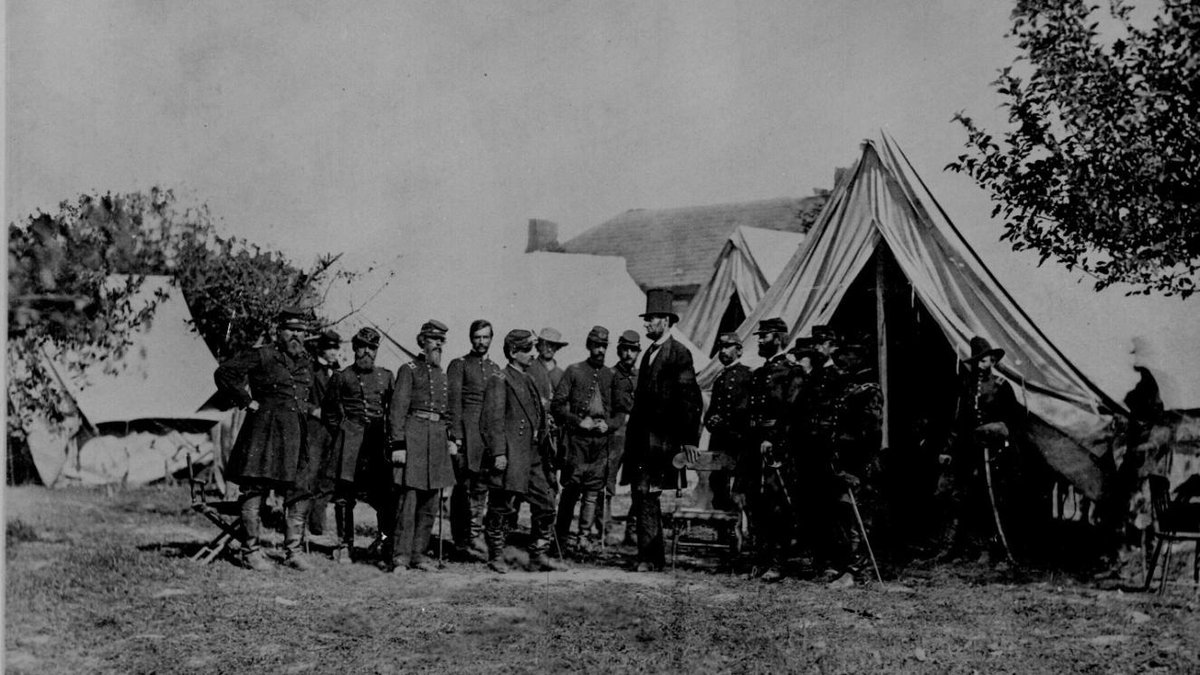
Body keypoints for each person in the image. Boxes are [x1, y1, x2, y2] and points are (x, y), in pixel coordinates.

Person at [213, 307, 318, 571]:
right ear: (278, 331)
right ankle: (251, 551)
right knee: (254, 491)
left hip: (295, 435)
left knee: (300, 490)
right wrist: (246, 401)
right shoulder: (262, 354)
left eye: (300, 331)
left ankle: (293, 551)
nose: (296, 335)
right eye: (291, 330)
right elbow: (224, 372)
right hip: (264, 433)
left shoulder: (306, 360)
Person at [621, 289, 703, 572]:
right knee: (642, 495)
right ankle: (650, 557)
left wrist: (689, 440)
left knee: (648, 494)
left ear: (666, 321)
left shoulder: (679, 354)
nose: (646, 324)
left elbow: (691, 399)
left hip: (663, 443)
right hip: (642, 442)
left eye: (651, 319)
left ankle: (649, 558)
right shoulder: (648, 355)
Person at [481, 329, 567, 573]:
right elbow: (492, 421)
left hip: (533, 455)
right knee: (501, 506)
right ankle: (496, 555)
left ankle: (538, 554)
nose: (532, 354)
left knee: (546, 502)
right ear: (512, 352)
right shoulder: (500, 379)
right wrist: (498, 453)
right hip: (510, 455)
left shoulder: (528, 378)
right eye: (527, 349)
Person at [934, 335, 1023, 566]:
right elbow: (958, 422)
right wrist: (948, 450)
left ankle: (998, 550)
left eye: (990, 360)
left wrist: (997, 429)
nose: (986, 365)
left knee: (995, 499)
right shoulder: (966, 386)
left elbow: (1013, 421)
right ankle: (970, 548)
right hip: (970, 452)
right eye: (982, 361)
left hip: (996, 453)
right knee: (965, 499)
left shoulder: (1003, 387)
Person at [386, 320, 458, 572]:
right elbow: (397, 409)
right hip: (414, 438)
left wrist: (451, 439)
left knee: (430, 503)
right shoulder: (408, 369)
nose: (438, 344)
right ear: (422, 341)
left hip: (437, 441)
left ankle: (418, 554)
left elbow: (448, 411)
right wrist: (398, 444)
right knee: (409, 502)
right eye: (433, 339)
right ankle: (401, 558)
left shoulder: (442, 374)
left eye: (442, 340)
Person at [320, 327, 394, 564]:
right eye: (362, 347)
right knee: (344, 497)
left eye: (372, 348)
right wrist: (344, 434)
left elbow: (393, 410)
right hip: (350, 445)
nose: (367, 352)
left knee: (384, 497)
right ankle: (344, 544)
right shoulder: (342, 377)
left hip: (376, 446)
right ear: (354, 348)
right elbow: (329, 413)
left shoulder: (386, 376)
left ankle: (383, 541)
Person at [741, 317, 804, 582]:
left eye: (764, 336)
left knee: (777, 506)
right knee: (756, 504)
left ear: (778, 338)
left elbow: (792, 413)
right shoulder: (759, 373)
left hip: (777, 449)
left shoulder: (792, 372)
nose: (759, 341)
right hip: (754, 445)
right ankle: (760, 560)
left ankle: (778, 563)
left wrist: (773, 440)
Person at [552, 326, 621, 553]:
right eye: (596, 345)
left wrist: (608, 425)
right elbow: (557, 405)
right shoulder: (574, 371)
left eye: (603, 346)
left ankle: (583, 538)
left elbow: (621, 413)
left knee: (592, 493)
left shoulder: (611, 376)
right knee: (571, 490)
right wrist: (577, 421)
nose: (599, 350)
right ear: (588, 346)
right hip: (577, 443)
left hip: (600, 444)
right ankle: (560, 538)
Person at [446, 319, 502, 561]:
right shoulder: (459, 365)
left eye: (486, 337)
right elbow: (454, 403)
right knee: (462, 488)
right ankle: (460, 540)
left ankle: (475, 535)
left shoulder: (495, 368)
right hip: (465, 435)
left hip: (485, 436)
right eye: (477, 337)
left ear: (491, 339)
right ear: (471, 338)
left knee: (481, 487)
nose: (481, 342)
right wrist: (455, 437)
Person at [703, 333, 752, 511]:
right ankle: (722, 532)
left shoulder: (748, 376)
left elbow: (746, 411)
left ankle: (737, 533)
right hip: (719, 443)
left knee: (738, 491)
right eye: (720, 347)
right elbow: (710, 412)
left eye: (727, 346)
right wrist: (711, 421)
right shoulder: (719, 379)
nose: (722, 351)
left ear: (739, 350)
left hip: (738, 444)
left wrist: (724, 423)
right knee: (718, 487)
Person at [601, 329, 640, 544]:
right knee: (607, 482)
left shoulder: (640, 376)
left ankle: (632, 529)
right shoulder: (608, 375)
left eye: (633, 350)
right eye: (624, 349)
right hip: (614, 436)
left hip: (635, 438)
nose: (628, 354)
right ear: (618, 350)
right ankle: (603, 527)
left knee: (638, 482)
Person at [306, 329, 342, 540]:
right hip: (315, 429)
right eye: (329, 348)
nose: (333, 352)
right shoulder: (311, 369)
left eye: (335, 348)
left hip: (332, 431)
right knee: (310, 475)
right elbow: (300, 397)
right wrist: (313, 410)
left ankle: (317, 524)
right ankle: (301, 523)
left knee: (328, 478)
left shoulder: (338, 371)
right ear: (321, 348)